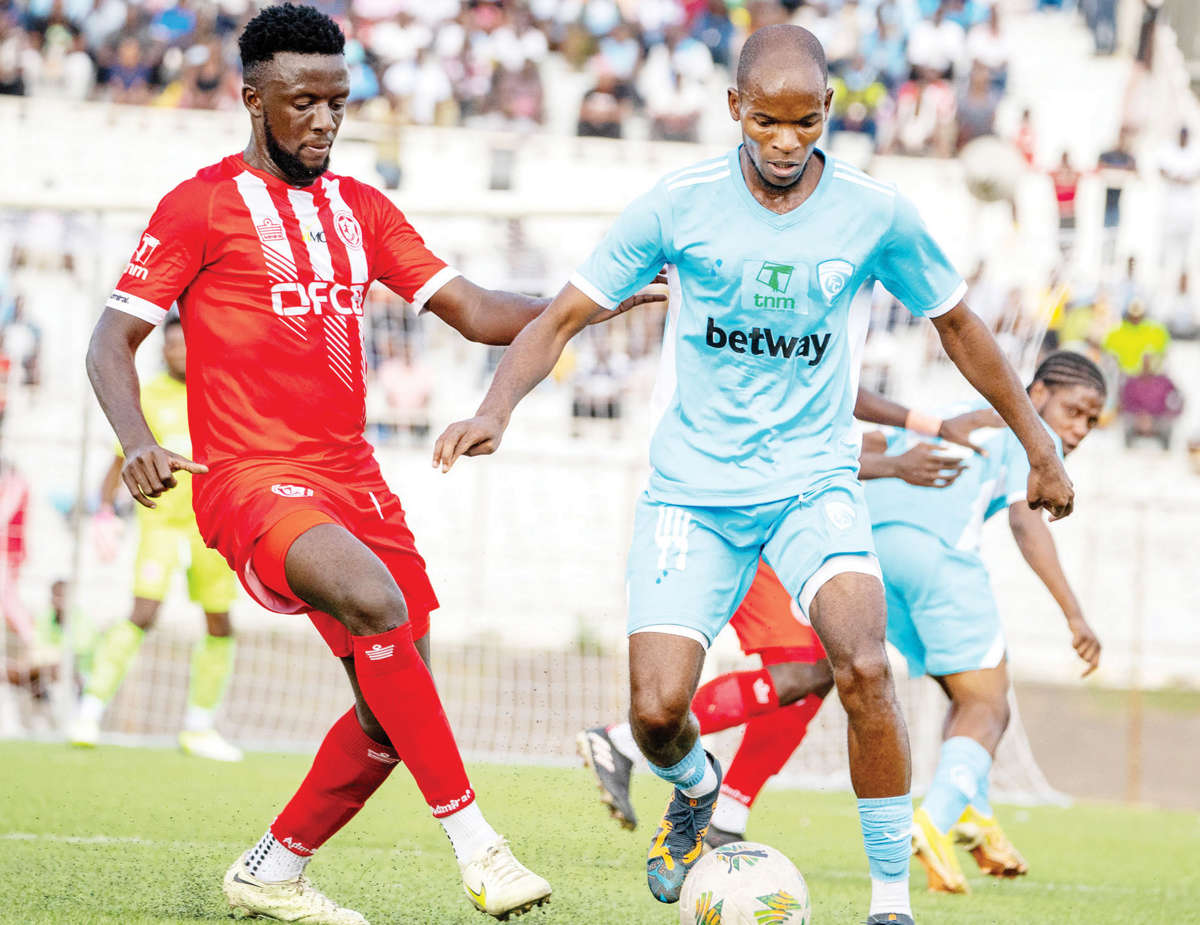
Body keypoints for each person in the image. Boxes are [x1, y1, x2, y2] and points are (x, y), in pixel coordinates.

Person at [432, 25, 1075, 924]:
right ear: (734, 107)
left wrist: (1038, 442)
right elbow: (562, 317)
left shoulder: (875, 213)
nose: (784, 141)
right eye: (766, 121)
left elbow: (960, 326)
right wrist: (495, 409)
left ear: (829, 111)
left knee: (862, 666)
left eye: (805, 122)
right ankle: (697, 788)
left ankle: (891, 901)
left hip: (814, 485)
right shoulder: (676, 204)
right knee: (658, 711)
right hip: (691, 493)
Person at [84, 5, 662, 923]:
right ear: (252, 99)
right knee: (376, 602)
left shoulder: (362, 209)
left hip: (354, 479)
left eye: (337, 103)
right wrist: (136, 439)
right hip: (251, 479)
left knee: (391, 710)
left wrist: (587, 304)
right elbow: (110, 341)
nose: (323, 121)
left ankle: (273, 867)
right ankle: (480, 846)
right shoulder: (199, 206)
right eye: (302, 102)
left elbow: (476, 310)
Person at [577, 395, 998, 839]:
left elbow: (847, 436)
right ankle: (624, 741)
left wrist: (923, 431)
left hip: (782, 535)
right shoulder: (798, 380)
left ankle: (728, 811)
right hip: (745, 524)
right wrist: (906, 451)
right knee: (807, 669)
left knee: (819, 670)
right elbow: (806, 450)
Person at [865, 351, 1105, 893]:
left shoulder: (959, 410)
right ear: (1037, 394)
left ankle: (978, 821)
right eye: (1074, 411)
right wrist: (1075, 615)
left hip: (874, 555)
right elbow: (1026, 523)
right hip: (938, 557)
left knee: (965, 695)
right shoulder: (1029, 430)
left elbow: (879, 448)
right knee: (990, 706)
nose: (1079, 429)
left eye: (1092, 421)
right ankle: (934, 823)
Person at [69, 312, 243, 761]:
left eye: (186, 344)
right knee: (143, 613)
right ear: (162, 349)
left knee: (220, 622)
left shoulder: (220, 393)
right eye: (171, 345)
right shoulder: (147, 395)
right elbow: (119, 461)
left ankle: (199, 727)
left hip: (210, 527)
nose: (178, 351)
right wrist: (103, 512)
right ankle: (89, 710)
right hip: (161, 523)